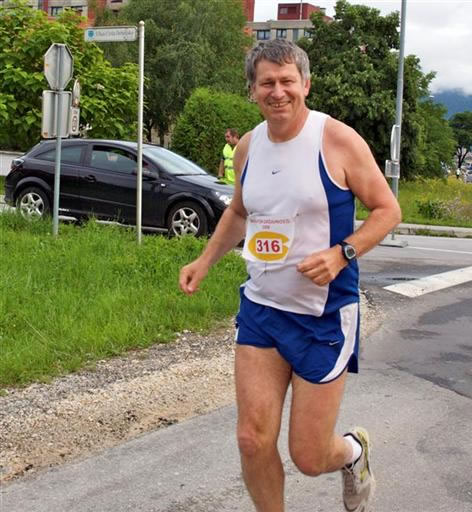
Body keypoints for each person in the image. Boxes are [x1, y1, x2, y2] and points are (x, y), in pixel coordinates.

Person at [179, 40, 401, 512]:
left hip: (324, 314)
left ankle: (353, 452)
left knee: (309, 456)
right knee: (251, 439)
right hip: (262, 308)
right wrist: (204, 261)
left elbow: (387, 210)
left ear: (306, 84)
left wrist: (342, 254)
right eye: (267, 83)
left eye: (287, 81)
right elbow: (239, 212)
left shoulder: (336, 140)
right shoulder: (247, 147)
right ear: (252, 90)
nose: (277, 92)